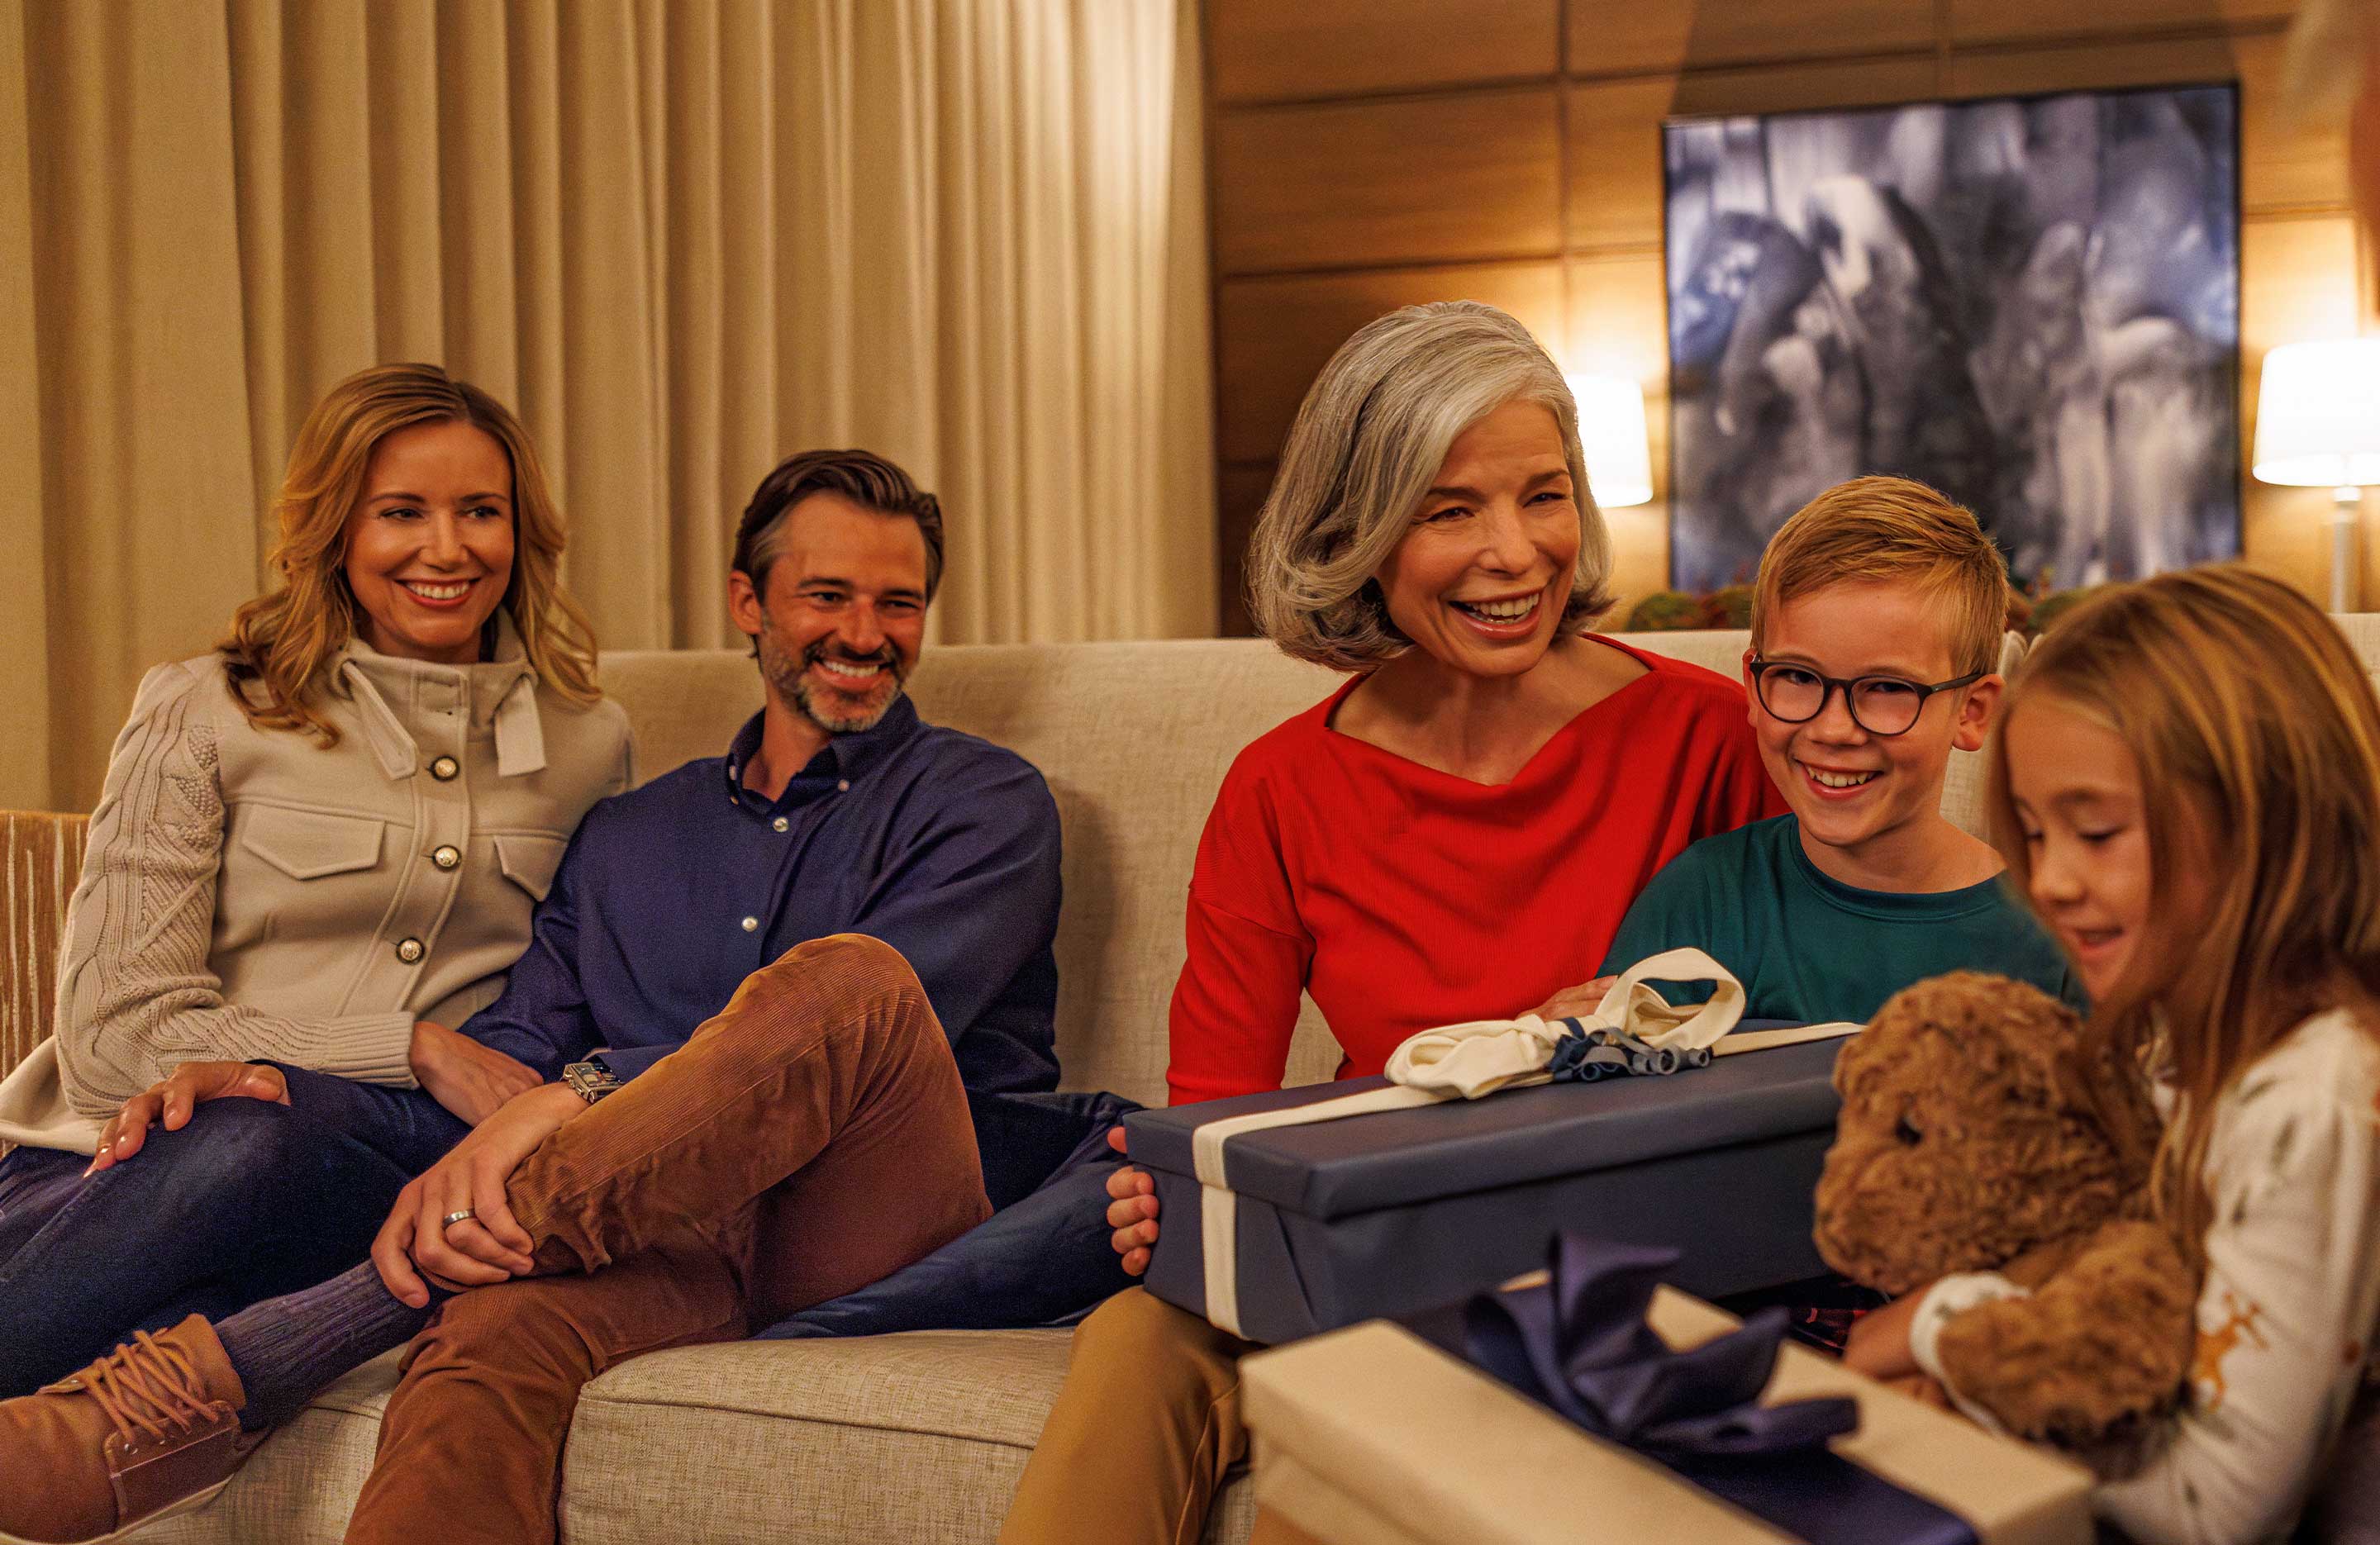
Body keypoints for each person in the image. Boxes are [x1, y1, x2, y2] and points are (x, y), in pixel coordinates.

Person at [0, 449, 1064, 1545]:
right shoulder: (633, 831)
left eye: (899, 603)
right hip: (660, 1230)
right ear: (748, 603)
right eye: (828, 596)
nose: (865, 633)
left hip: (869, 1214)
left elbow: (867, 1029)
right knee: (487, 1333)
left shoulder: (986, 803)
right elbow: (508, 1048)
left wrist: (580, 1093)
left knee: (848, 981)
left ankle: (244, 1362)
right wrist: (284, 1077)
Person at [997, 300, 1784, 1545]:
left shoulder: (1711, 737)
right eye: (1448, 509)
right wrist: (1175, 1197)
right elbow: (1216, 1113)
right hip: (1355, 1243)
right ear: (1358, 532)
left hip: (1598, 1263)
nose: (1514, 552)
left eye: (1542, 495)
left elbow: (1780, 1050)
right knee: (1140, 1331)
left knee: (1376, 1434)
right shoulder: (1281, 786)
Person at [0, 362, 631, 1395]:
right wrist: (412, 1045)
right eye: (401, 512)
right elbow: (112, 1039)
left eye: (481, 511)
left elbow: (596, 986)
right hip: (122, 1170)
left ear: (523, 533)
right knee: (249, 1146)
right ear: (335, 531)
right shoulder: (206, 708)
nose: (448, 548)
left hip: (386, 1166)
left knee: (313, 1169)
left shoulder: (591, 740)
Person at [1845, 566, 2380, 1544]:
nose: (2050, 880)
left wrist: (1945, 1331)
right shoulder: (2185, 1049)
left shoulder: (2317, 1095)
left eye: (2096, 832)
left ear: (2267, 818)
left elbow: (2216, 1510)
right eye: (2035, 833)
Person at [1545, 475, 2079, 1029]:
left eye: (1888, 687)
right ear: (1753, 688)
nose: (1834, 729)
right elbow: (1607, 1068)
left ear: (1972, 712)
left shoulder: (2059, 929)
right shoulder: (1703, 897)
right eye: (1798, 677)